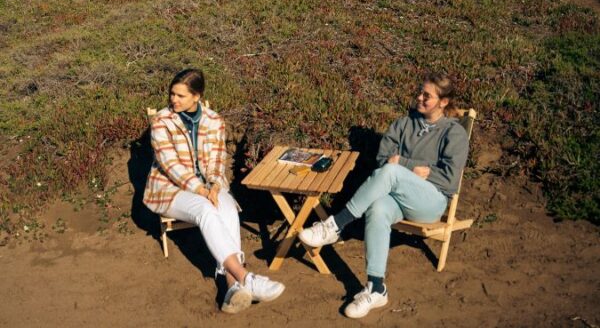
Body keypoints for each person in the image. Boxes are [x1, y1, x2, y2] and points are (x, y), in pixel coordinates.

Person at [299, 73, 468, 319]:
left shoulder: (453, 133)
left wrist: (404, 164)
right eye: (420, 92)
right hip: (399, 196)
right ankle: (376, 287)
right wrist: (412, 169)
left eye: (427, 96)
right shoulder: (404, 124)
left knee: (392, 170)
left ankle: (336, 224)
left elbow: (449, 180)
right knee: (377, 207)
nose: (419, 98)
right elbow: (381, 161)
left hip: (431, 201)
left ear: (443, 102)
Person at [144, 68, 285, 314]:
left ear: (196, 96)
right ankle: (245, 276)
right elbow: (169, 164)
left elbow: (218, 160)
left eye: (180, 96)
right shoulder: (161, 122)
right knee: (206, 210)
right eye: (172, 94)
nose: (173, 100)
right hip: (169, 189)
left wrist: (216, 185)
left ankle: (231, 287)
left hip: (208, 185)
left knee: (228, 209)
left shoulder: (213, 120)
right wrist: (199, 189)